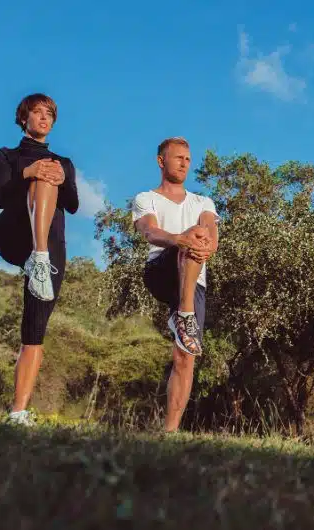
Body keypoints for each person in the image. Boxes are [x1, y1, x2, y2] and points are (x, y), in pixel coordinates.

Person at [0, 93, 79, 426]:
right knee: (42, 175)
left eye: (49, 114)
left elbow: (72, 204)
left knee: (35, 330)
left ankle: (18, 413)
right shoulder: (7, 156)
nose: (44, 118)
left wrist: (60, 178)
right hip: (13, 233)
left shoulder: (63, 162)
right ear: (23, 118)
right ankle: (36, 256)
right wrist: (30, 171)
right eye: (37, 113)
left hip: (52, 246)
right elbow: (1, 197)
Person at [132, 136, 219, 432]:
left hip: (195, 278)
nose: (184, 163)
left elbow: (211, 230)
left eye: (188, 159)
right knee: (192, 235)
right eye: (178, 157)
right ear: (161, 161)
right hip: (162, 268)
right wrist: (182, 239)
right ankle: (184, 316)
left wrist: (207, 246)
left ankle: (170, 432)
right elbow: (149, 232)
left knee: (185, 355)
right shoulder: (147, 198)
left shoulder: (203, 201)